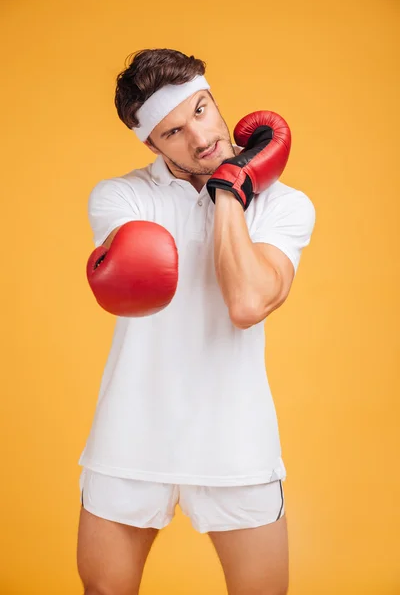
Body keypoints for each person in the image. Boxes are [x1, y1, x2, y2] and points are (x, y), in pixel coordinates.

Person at [77, 48, 316, 595]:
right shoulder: (122, 197)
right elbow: (138, 276)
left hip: (234, 436)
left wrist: (230, 190)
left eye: (203, 110)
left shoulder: (285, 205)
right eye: (173, 132)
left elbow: (247, 303)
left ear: (214, 100)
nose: (201, 137)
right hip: (132, 432)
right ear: (150, 144)